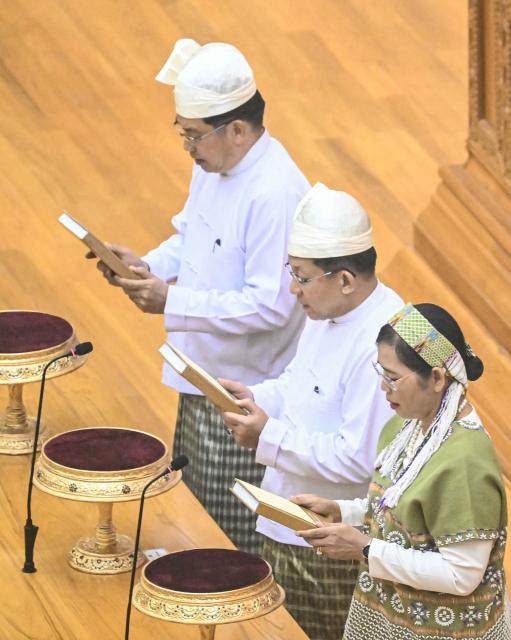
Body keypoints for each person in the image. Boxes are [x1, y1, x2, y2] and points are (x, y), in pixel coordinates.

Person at [89, 39, 308, 554]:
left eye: (193, 136)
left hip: (246, 390)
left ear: (237, 129)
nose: (187, 147)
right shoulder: (213, 162)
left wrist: (172, 302)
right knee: (195, 496)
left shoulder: (274, 192)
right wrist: (146, 266)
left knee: (234, 527)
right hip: (202, 372)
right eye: (182, 133)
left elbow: (271, 305)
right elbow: (190, 234)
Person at [221, 182, 403, 640]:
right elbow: (298, 384)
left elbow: (360, 459)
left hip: (330, 542)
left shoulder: (384, 343)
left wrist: (269, 438)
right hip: (289, 518)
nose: (292, 288)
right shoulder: (327, 312)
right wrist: (257, 400)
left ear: (344, 278)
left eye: (301, 277)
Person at [295, 302, 510, 640]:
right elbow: (400, 512)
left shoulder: (466, 460)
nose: (384, 387)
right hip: (391, 618)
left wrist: (366, 549)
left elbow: (462, 574)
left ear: (437, 378)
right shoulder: (406, 425)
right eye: (381, 373)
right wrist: (344, 511)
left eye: (393, 377)